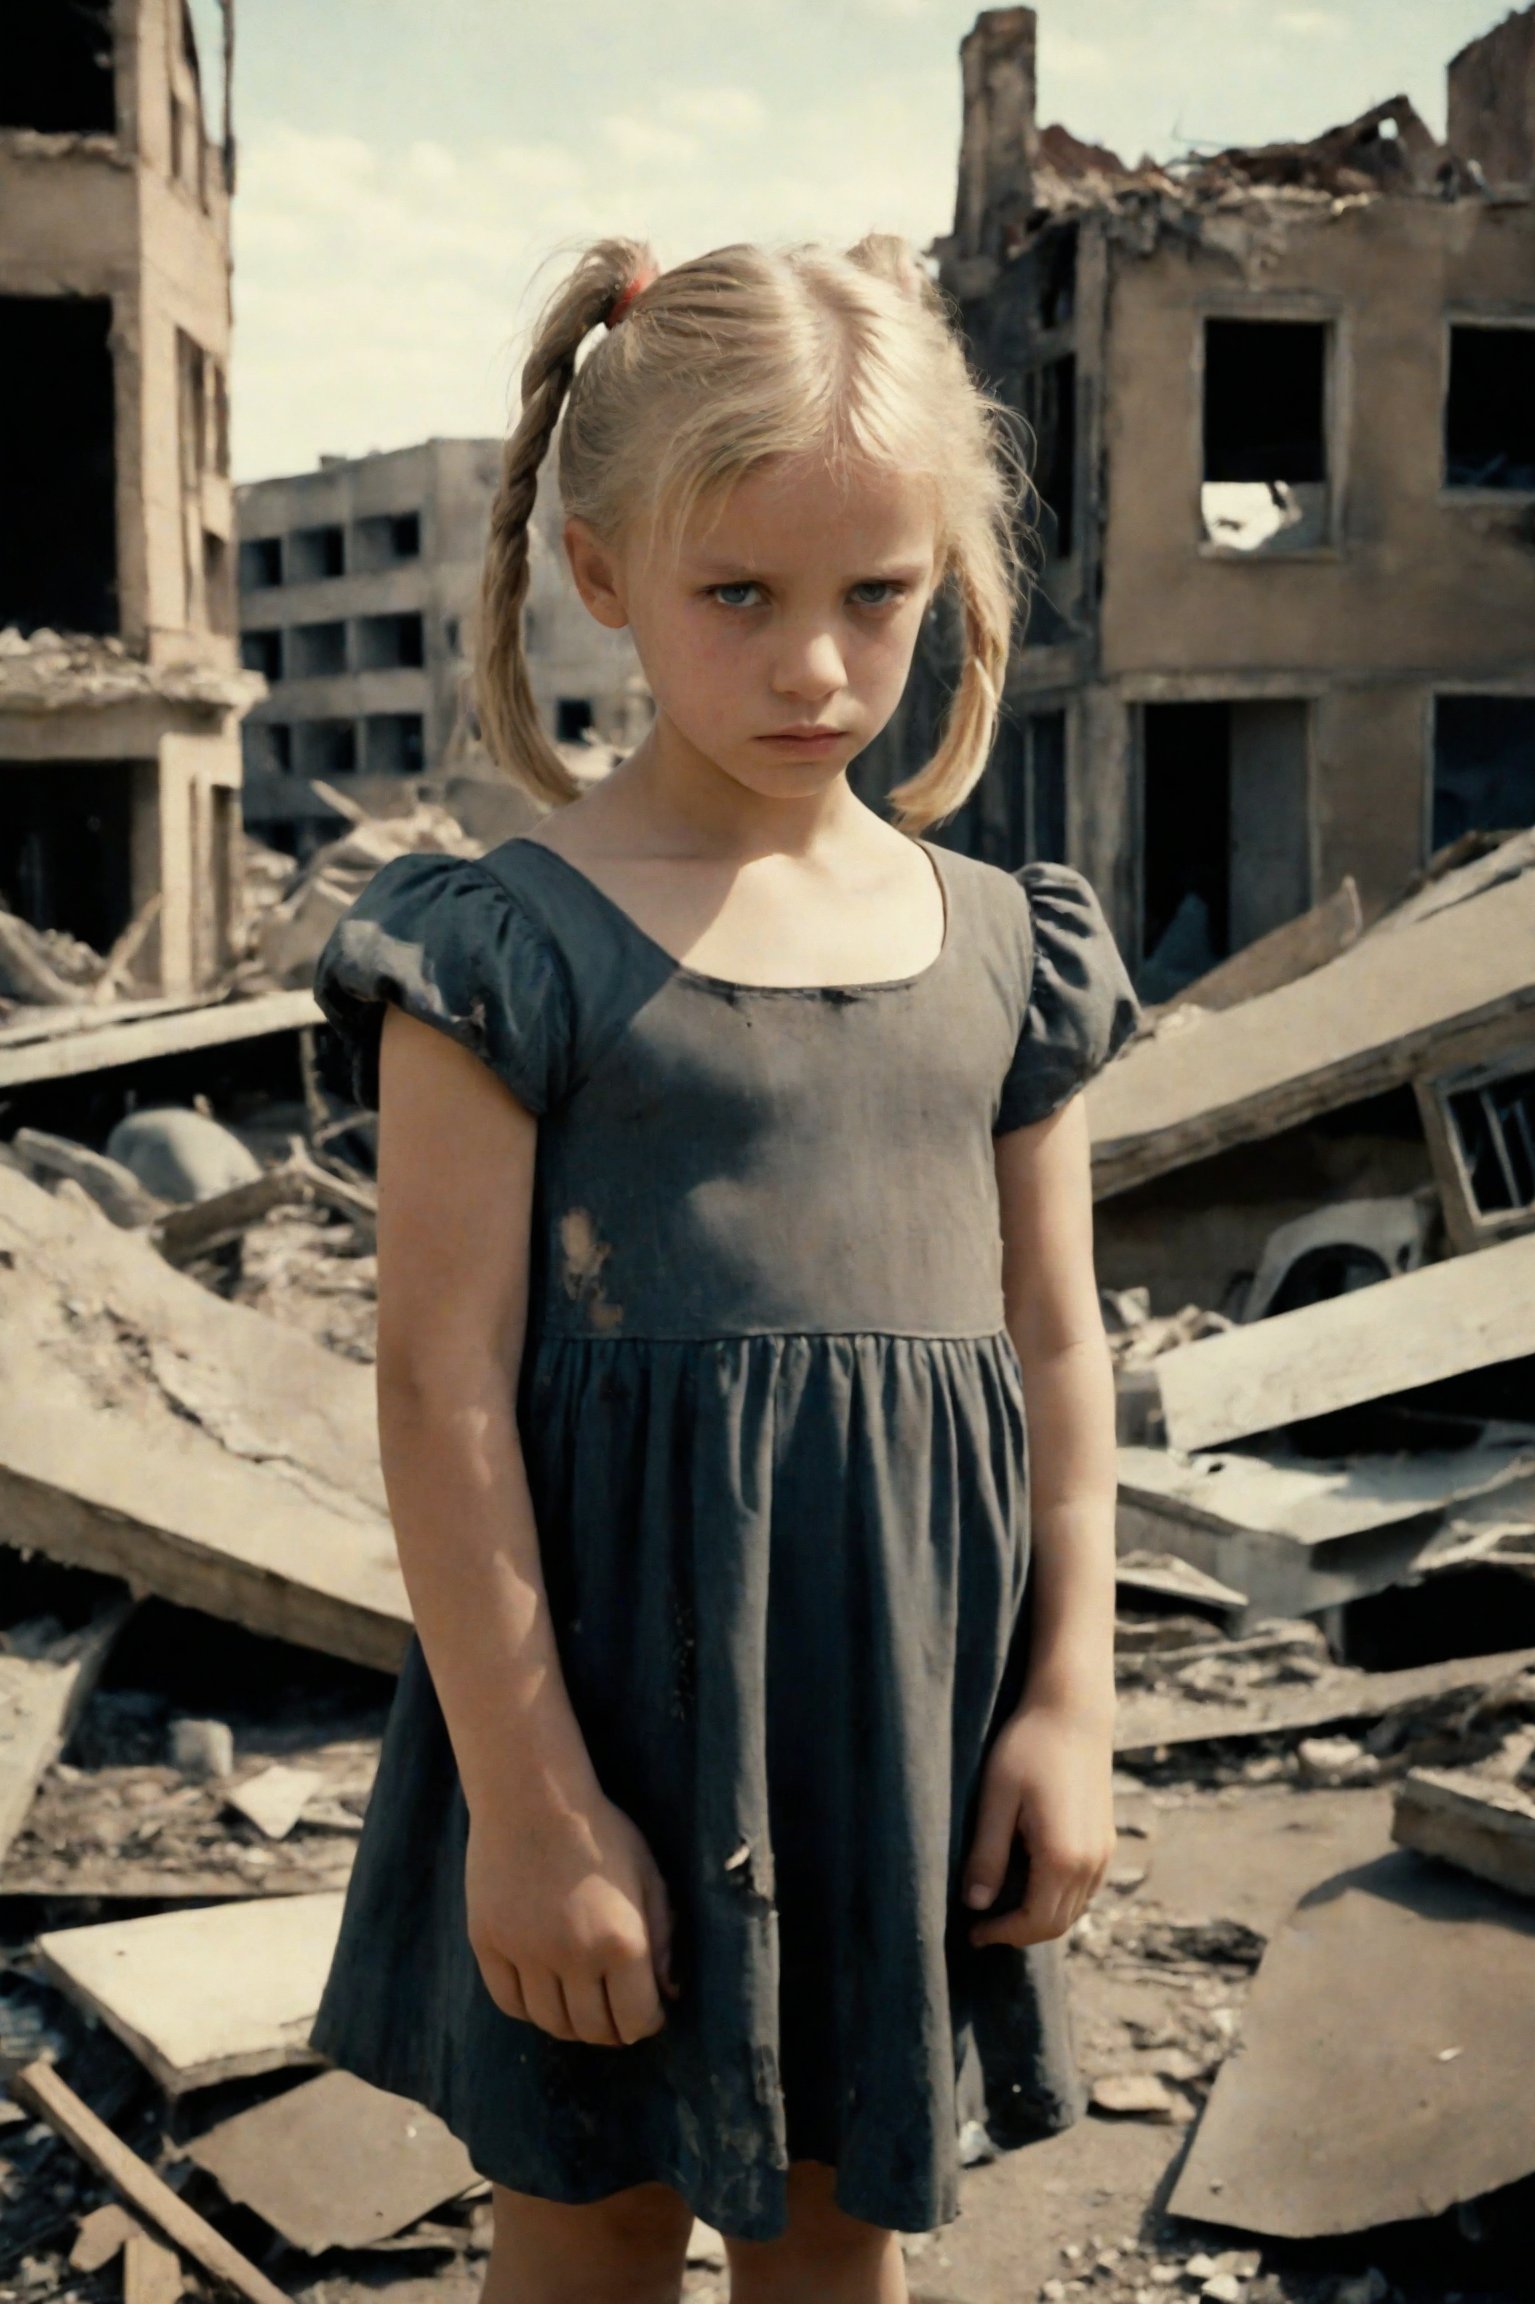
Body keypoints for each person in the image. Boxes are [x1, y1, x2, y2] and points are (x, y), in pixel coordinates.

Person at [309, 235, 1140, 2304]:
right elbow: (439, 1392)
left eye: (877, 598)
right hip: (602, 1723)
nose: (820, 672)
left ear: (944, 575)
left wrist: (1071, 1696)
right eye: (740, 598)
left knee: (840, 2237)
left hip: (891, 1739)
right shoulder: (502, 948)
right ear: (604, 571)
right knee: (585, 2244)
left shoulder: (1003, 949)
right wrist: (533, 1809)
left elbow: (1057, 1344)